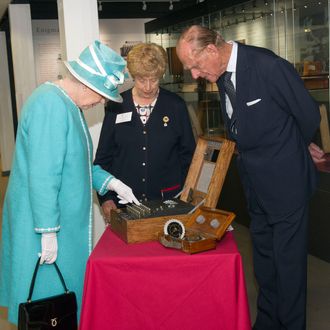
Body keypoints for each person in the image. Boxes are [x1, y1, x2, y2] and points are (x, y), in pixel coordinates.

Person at [176, 25, 324, 330]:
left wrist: (294, 147)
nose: (194, 74)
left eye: (195, 65)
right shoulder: (222, 73)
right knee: (265, 262)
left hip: (286, 183)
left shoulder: (267, 66)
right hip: (254, 183)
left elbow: (308, 114)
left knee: (289, 265)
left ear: (212, 50)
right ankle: (268, 322)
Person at [0, 40, 140, 325]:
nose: (101, 102)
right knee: (46, 308)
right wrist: (47, 231)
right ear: (87, 85)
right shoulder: (50, 105)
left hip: (59, 223)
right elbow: (43, 174)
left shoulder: (68, 105)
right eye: (101, 95)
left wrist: (110, 183)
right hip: (45, 226)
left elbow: (76, 164)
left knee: (59, 305)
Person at [94, 42, 195, 219]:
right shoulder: (116, 106)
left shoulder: (175, 106)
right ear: (133, 76)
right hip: (124, 204)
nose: (148, 87)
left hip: (169, 201)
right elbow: (104, 157)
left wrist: (190, 195)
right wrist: (106, 198)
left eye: (154, 79)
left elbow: (189, 157)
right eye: (142, 80)